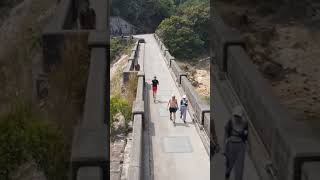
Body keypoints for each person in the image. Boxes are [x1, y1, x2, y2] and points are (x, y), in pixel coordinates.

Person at [224, 106, 248, 180]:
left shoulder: (245, 123)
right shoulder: (230, 122)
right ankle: (227, 173)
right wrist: (224, 148)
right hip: (231, 145)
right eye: (235, 115)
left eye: (238, 116)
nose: (237, 117)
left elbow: (247, 136)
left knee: (239, 167)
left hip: (241, 146)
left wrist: (249, 146)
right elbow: (225, 135)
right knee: (230, 164)